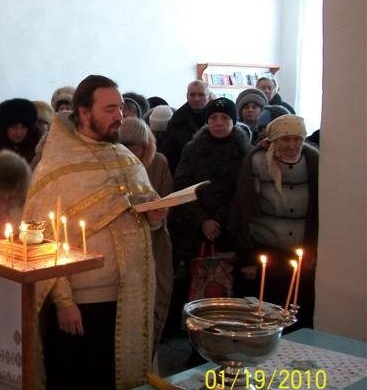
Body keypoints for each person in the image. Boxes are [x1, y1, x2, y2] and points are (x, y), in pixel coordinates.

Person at [26, 76, 165, 390]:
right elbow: (41, 240)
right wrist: (64, 301)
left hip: (128, 299)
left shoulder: (126, 157)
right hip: (81, 306)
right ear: (84, 113)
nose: (120, 115)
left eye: (121, 107)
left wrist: (156, 217)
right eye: (110, 109)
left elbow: (144, 213)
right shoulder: (56, 167)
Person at [169, 99, 251, 341]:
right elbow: (182, 186)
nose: (218, 123)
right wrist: (202, 220)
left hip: (231, 231)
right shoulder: (192, 149)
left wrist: (219, 219)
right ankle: (198, 345)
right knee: (198, 295)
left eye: (224, 118)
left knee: (228, 295)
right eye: (213, 118)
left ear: (233, 121)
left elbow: (244, 192)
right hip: (195, 231)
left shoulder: (245, 151)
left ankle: (227, 343)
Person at [232, 115, 318, 329]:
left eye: (297, 139)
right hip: (267, 246)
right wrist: (247, 257)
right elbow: (244, 209)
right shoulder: (258, 161)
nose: (292, 145)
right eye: (285, 139)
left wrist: (313, 248)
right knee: (266, 314)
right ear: (275, 140)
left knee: (298, 312)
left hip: (300, 250)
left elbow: (317, 212)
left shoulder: (313, 161)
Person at [119, 117, 174, 350]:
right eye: (127, 145)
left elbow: (165, 197)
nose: (133, 152)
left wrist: (157, 214)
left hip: (151, 241)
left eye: (138, 147)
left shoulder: (158, 163)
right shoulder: (111, 166)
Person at [160, 80, 211, 174]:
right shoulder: (177, 120)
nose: (196, 99)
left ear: (209, 97)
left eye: (201, 95)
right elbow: (170, 153)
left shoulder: (217, 117)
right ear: (187, 96)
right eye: (192, 95)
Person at [0, 98, 42, 165]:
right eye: (14, 127)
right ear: (4, 128)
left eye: (23, 127)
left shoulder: (41, 149)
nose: (18, 132)